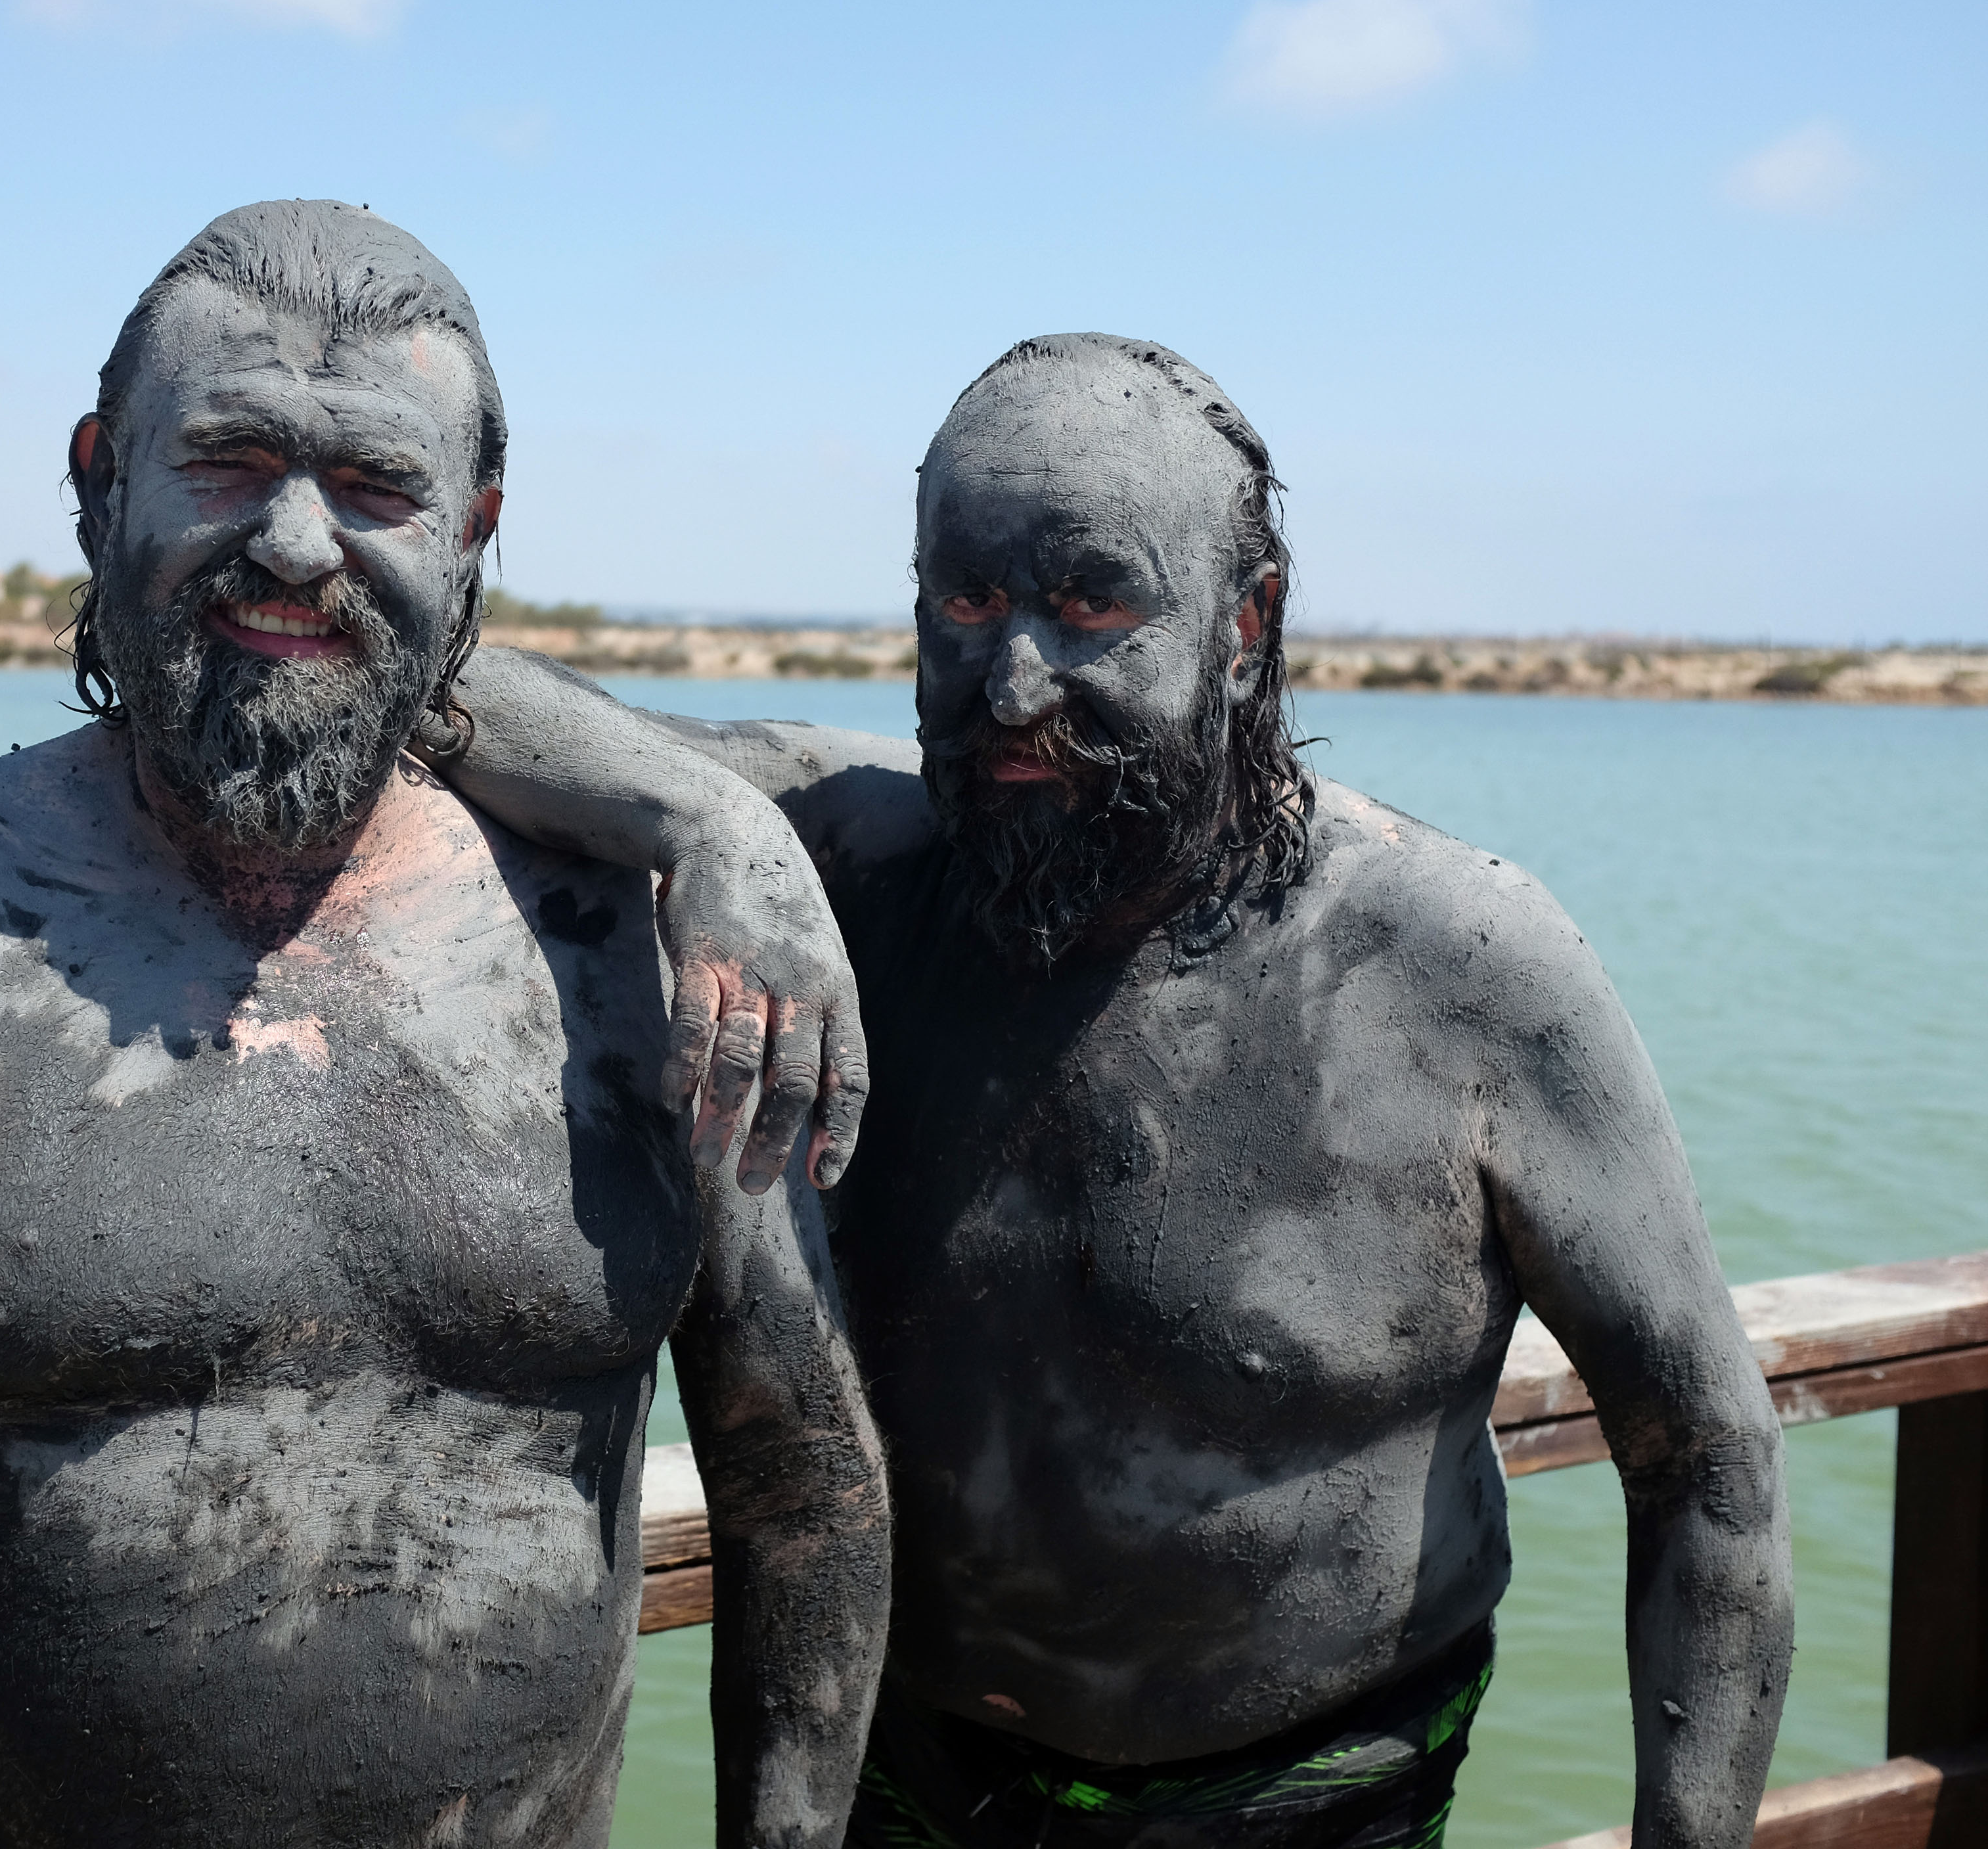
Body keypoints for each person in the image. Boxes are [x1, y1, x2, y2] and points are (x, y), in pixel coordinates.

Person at [0, 200, 890, 1849]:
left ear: (474, 530)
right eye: (228, 459)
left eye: (378, 489)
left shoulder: (633, 949)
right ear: (97, 474)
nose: (293, 542)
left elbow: (802, 1483)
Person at [432, 333, 1792, 1848]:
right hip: (903, 1772)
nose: (1014, 684)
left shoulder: (1460, 963)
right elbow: (429, 677)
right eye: (966, 601)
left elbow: (1709, 1461)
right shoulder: (854, 864)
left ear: (1243, 622)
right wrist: (707, 825)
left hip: (1312, 1793)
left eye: (1093, 606)